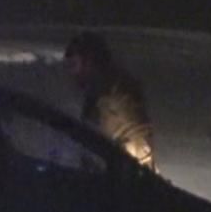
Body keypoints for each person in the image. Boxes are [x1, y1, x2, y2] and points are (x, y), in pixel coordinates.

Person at [63, 32, 155, 169]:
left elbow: (139, 155)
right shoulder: (100, 94)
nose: (72, 73)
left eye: (74, 65)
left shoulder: (117, 103)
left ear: (89, 63)